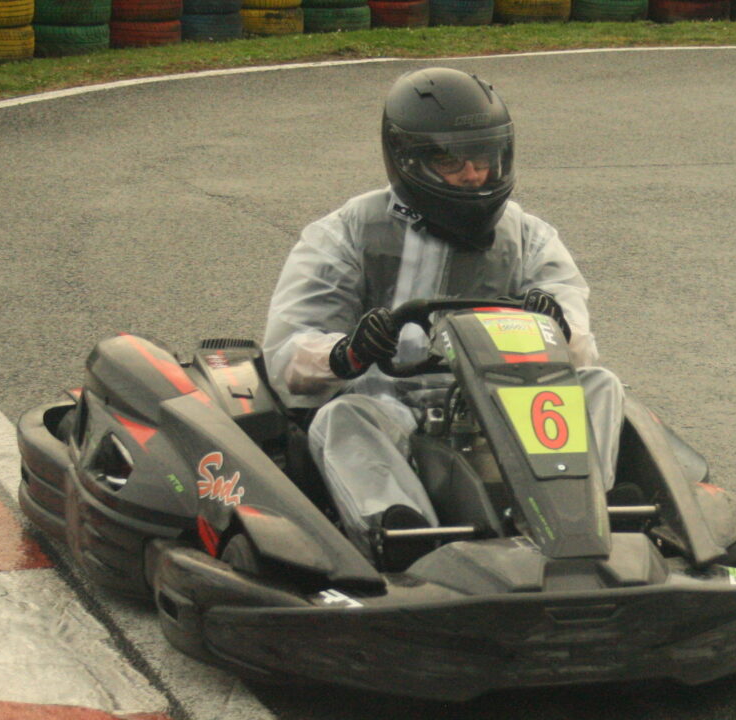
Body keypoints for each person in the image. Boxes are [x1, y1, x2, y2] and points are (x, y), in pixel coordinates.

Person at [262, 66, 625, 552]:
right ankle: (404, 538)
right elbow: (288, 354)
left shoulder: (528, 236)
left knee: (600, 385)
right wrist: (348, 352)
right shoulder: (347, 233)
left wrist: (557, 327)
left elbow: (579, 348)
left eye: (484, 158)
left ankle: (592, 518)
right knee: (341, 418)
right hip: (388, 406)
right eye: (452, 161)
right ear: (408, 160)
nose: (473, 175)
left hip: (504, 403)